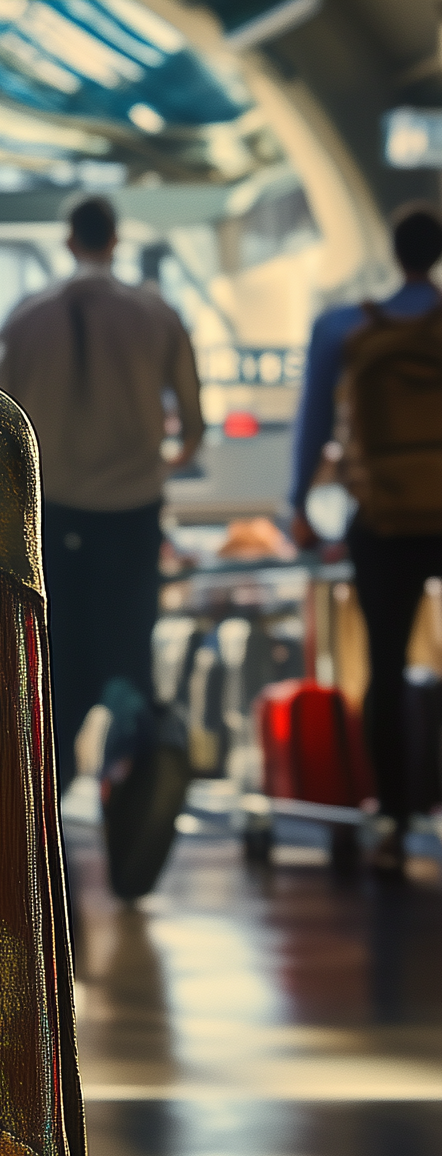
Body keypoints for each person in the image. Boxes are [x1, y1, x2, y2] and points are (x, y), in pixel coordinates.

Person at [0, 194, 204, 790]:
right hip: (131, 513)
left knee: (57, 664)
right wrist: (157, 463)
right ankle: (131, 798)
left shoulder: (26, 317)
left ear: (68, 241)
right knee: (129, 656)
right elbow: (193, 426)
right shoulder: (157, 315)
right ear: (116, 240)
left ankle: (47, 811)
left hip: (50, 514)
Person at [291, 206, 442, 873]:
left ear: (392, 249)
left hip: (382, 518)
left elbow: (313, 424)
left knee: (382, 661)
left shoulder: (346, 328)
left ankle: (393, 819)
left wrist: (299, 503)